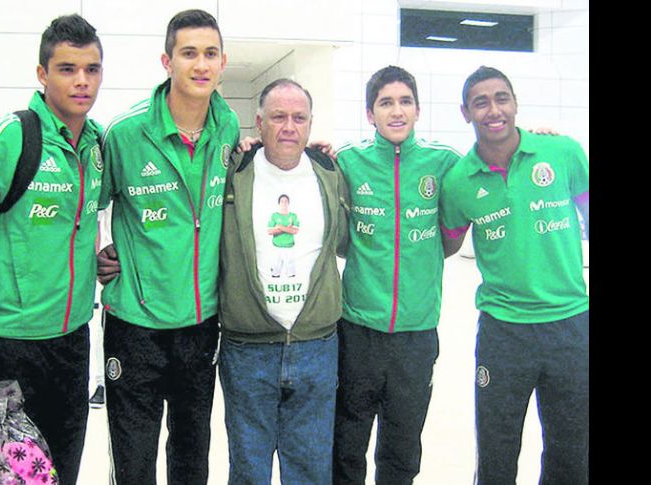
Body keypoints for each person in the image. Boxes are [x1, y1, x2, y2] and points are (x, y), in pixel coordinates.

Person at [0, 14, 104, 485]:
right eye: (67, 68)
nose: (81, 80)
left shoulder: (96, 147)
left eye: (91, 69)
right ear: (42, 74)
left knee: (62, 472)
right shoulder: (11, 136)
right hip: (8, 348)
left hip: (73, 342)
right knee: (9, 477)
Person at [95, 9, 240, 484]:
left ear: (223, 63)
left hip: (201, 327)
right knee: (135, 462)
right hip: (135, 328)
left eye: (210, 53)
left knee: (192, 460)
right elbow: (84, 205)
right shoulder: (124, 133)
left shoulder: (228, 128)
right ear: (167, 60)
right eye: (189, 53)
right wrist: (93, 254)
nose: (201, 64)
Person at [439, 66, 589, 485]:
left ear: (516, 103)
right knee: (497, 453)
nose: (493, 109)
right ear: (466, 112)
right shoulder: (458, 182)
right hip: (504, 333)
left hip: (571, 326)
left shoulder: (563, 154)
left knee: (572, 451)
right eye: (481, 102)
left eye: (501, 98)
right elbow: (448, 243)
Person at [332, 65, 463, 485]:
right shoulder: (349, 162)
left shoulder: (443, 163)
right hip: (358, 331)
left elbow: (488, 172)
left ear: (418, 110)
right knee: (347, 444)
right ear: (370, 113)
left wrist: (538, 138)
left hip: (417, 333)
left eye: (405, 101)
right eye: (386, 102)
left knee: (403, 449)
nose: (396, 111)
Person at [218, 79, 349, 484]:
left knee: (310, 470)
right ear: (259, 123)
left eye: (299, 117)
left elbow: (344, 242)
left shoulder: (330, 172)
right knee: (249, 470)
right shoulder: (233, 173)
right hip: (247, 350)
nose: (289, 126)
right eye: (278, 117)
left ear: (311, 125)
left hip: (317, 348)